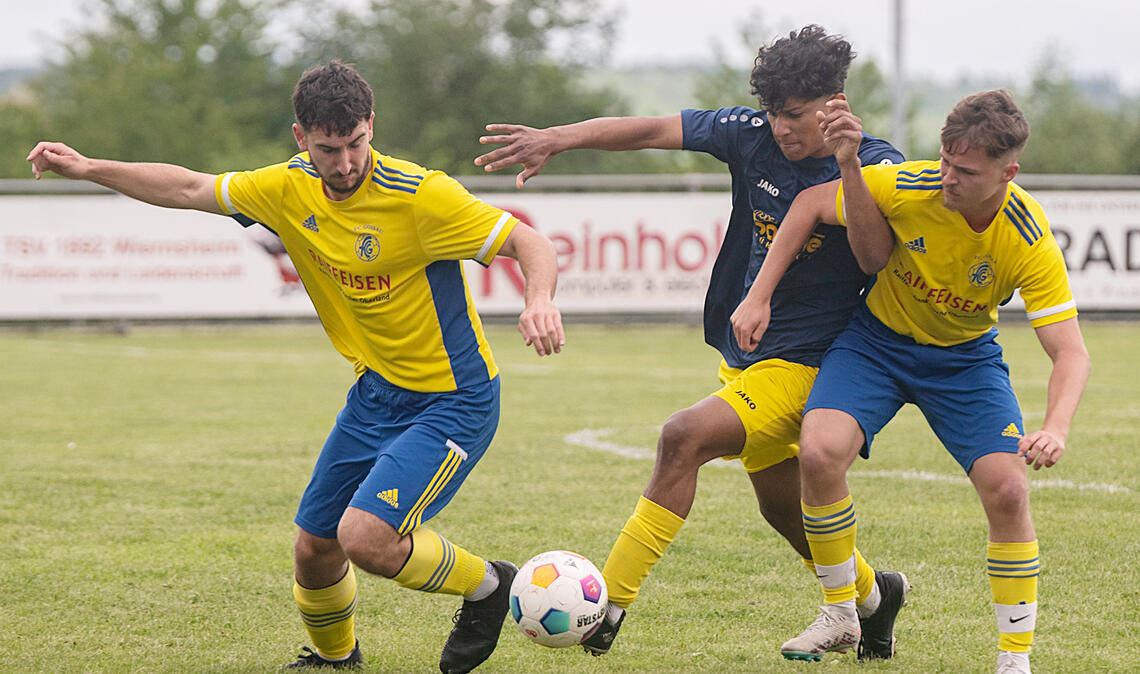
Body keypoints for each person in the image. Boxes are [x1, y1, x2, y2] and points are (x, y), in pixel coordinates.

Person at [27, 60, 566, 674]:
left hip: (454, 400)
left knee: (364, 538)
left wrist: (539, 300)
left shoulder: (421, 196)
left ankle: (490, 586)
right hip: (375, 394)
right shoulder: (286, 188)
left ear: (371, 125)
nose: (345, 163)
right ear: (300, 137)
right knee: (314, 546)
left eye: (356, 143)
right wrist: (89, 167)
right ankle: (337, 660)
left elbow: (529, 242)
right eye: (328, 149)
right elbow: (187, 188)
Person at [474, 25, 909, 660]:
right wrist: (558, 138)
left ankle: (609, 606)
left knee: (683, 436)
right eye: (772, 112)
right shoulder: (752, 134)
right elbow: (652, 129)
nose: (780, 128)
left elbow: (876, 259)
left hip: (822, 364)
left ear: (833, 104)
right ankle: (874, 597)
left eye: (793, 115)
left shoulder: (879, 164)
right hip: (751, 358)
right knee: (784, 511)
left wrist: (850, 170)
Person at [734, 89, 1090, 673]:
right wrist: (759, 295)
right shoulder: (911, 183)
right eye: (946, 161)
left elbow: (1070, 352)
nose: (948, 178)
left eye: (966, 172)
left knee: (1008, 490)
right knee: (820, 452)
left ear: (1008, 173)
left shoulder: (1027, 237)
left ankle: (1014, 660)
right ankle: (840, 612)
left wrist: (1056, 427)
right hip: (875, 343)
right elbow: (808, 204)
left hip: (964, 361)